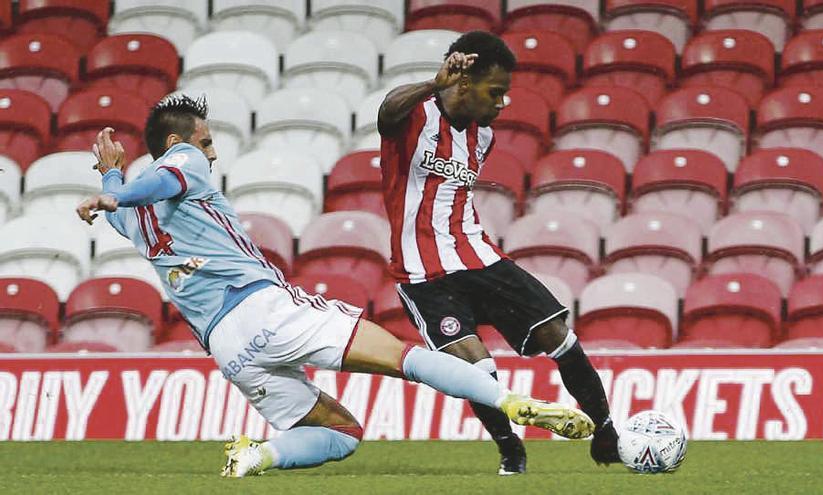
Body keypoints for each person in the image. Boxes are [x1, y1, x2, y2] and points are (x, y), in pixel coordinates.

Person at [75, 94, 594, 478]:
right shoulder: (179, 161)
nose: (210, 155)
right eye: (207, 142)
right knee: (404, 358)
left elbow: (131, 201)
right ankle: (509, 402)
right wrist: (117, 193)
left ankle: (257, 454)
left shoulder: (134, 220)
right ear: (177, 142)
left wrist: (110, 184)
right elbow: (164, 179)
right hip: (263, 309)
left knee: (342, 435)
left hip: (227, 350)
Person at [377, 31, 621, 475]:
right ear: (463, 84)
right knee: (476, 366)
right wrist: (437, 82)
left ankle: (607, 431)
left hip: (481, 258)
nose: (503, 103)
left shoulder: (481, 136)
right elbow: (385, 112)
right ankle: (511, 450)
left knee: (558, 334)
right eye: (496, 92)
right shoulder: (412, 116)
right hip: (424, 273)